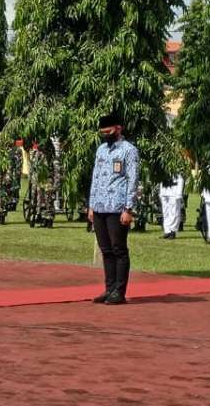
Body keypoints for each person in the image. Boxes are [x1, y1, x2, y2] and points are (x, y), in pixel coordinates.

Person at [88, 112, 139, 305]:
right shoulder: (101, 150)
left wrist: (128, 208)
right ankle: (109, 289)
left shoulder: (129, 150)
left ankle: (119, 291)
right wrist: (91, 205)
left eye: (108, 131)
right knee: (106, 250)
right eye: (102, 132)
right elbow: (96, 177)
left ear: (118, 128)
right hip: (100, 206)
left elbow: (132, 180)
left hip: (118, 206)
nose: (105, 134)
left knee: (119, 249)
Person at [159, 173, 184, 240]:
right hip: (164, 190)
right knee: (165, 212)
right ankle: (167, 231)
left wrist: (179, 193)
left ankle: (172, 231)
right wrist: (161, 191)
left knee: (174, 212)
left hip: (174, 191)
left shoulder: (177, 167)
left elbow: (181, 179)